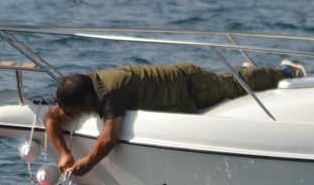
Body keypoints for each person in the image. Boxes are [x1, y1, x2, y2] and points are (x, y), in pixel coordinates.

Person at [45, 63, 294, 176]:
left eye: (77, 111)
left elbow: (109, 138)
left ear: (88, 99)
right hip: (171, 102)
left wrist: (88, 163)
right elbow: (51, 119)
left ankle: (284, 72)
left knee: (231, 87)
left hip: (187, 84)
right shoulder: (81, 93)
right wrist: (65, 153)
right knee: (231, 88)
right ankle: (256, 72)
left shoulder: (110, 93)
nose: (74, 116)